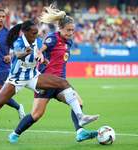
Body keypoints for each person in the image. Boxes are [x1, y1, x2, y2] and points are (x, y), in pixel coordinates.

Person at [0, 19, 99, 145]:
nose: (35, 36)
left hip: (34, 77)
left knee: (64, 83)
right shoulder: (19, 41)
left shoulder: (39, 41)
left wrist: (43, 60)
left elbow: (41, 54)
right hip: (16, 80)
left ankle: (80, 118)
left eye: (36, 33)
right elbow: (17, 54)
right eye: (33, 33)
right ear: (26, 32)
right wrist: (25, 53)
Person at [8, 5, 99, 143]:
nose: (70, 33)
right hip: (47, 81)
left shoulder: (69, 41)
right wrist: (39, 54)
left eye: (72, 30)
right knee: (36, 115)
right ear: (60, 28)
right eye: (68, 30)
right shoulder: (53, 38)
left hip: (61, 82)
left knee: (78, 102)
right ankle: (14, 134)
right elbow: (42, 48)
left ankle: (80, 132)